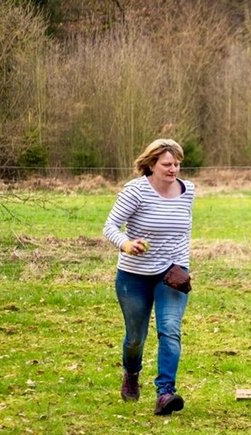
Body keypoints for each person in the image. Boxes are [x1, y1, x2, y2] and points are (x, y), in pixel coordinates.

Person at [103, 139, 196, 415]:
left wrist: (182, 265)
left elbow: (184, 232)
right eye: (167, 164)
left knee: (170, 329)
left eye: (177, 164)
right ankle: (131, 373)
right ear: (151, 164)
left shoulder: (188, 191)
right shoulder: (136, 191)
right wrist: (126, 243)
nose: (173, 169)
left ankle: (165, 393)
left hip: (173, 274)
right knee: (135, 337)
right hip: (134, 275)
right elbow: (110, 226)